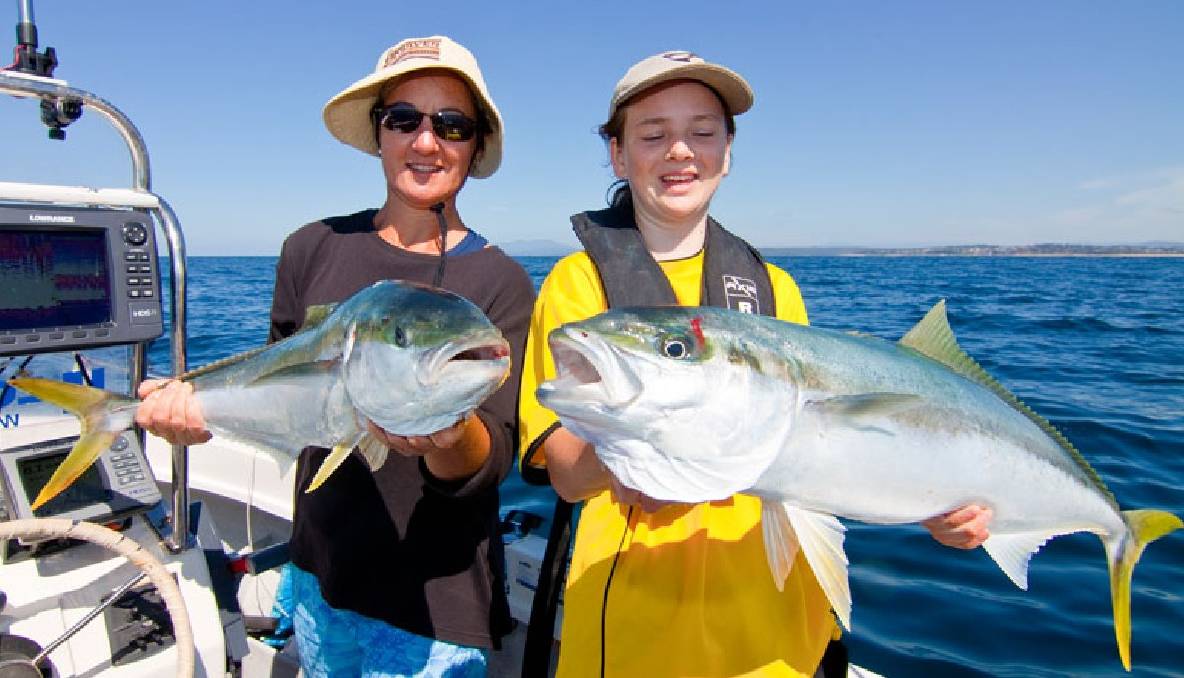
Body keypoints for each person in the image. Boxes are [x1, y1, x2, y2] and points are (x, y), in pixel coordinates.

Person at [517, 51, 992, 677]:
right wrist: (634, 460)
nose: (680, 151)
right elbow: (565, 471)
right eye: (653, 135)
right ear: (618, 154)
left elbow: (816, 458)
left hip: (784, 630)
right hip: (638, 633)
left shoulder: (773, 288)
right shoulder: (579, 286)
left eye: (702, 132)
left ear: (728, 152)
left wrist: (929, 499)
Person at [136, 36, 535, 677]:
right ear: (379, 133)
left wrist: (446, 435)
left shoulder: (502, 283)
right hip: (318, 574)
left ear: (475, 144)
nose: (426, 141)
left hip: (434, 608)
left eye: (451, 125)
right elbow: (278, 384)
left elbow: (492, 457)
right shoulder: (312, 247)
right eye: (403, 119)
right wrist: (197, 414)